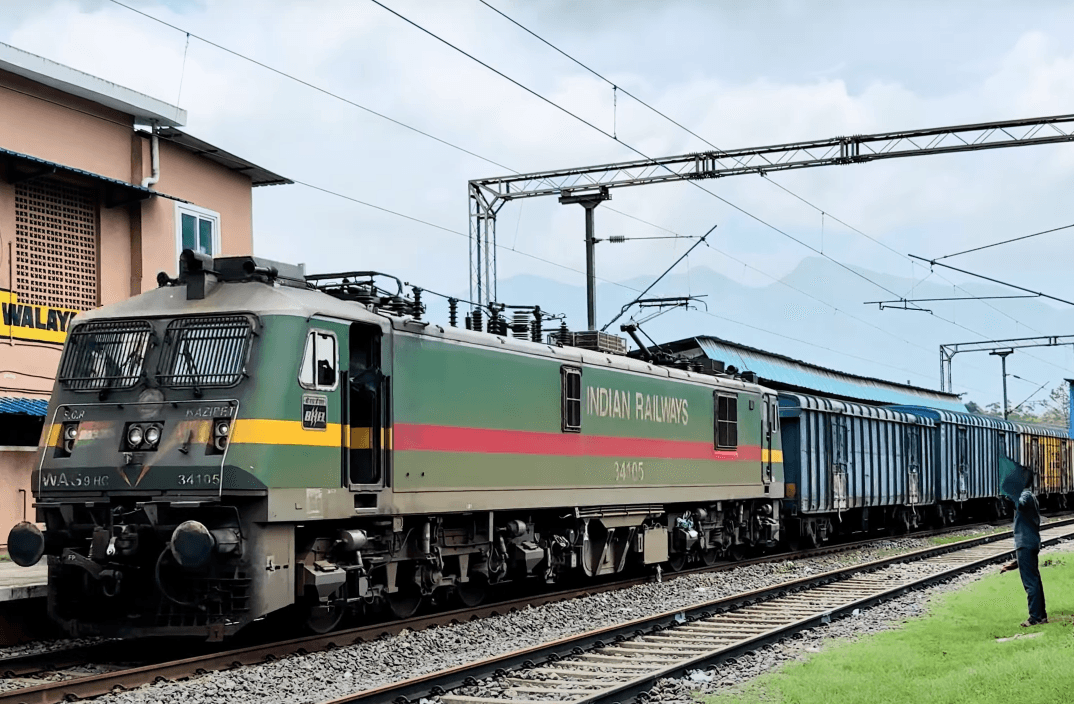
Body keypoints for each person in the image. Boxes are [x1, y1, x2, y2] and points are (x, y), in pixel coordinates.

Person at [1000, 474, 1047, 627]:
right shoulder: (1030, 496)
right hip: (1029, 543)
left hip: (1026, 544)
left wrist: (1009, 495)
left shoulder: (1026, 496)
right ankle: (1040, 616)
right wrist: (1014, 564)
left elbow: (1019, 503)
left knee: (1030, 583)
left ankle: (1035, 618)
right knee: (1034, 581)